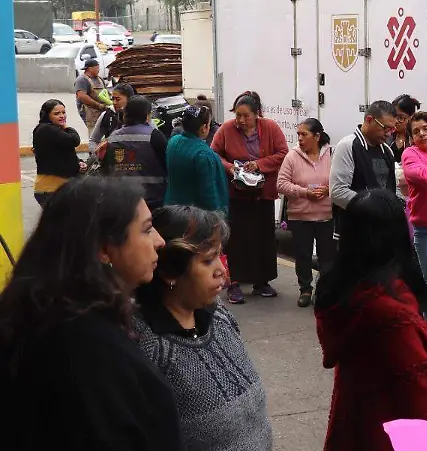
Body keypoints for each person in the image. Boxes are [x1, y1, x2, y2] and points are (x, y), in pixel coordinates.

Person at [0, 177, 181, 450]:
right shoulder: (87, 349)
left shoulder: (45, 314)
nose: (160, 241)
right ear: (104, 249)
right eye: (146, 230)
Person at [314, 190, 427, 451]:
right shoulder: (388, 312)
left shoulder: (345, 292)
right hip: (392, 434)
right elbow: (421, 395)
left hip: (354, 424)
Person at [133, 205, 272, 451]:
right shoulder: (148, 346)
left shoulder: (219, 316)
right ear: (170, 271)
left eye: (220, 256)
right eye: (207, 260)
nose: (222, 271)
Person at [211, 91, 288, 304]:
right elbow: (214, 153)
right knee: (236, 240)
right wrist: (230, 168)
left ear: (256, 115)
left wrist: (260, 164)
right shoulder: (226, 129)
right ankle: (233, 283)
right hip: (237, 194)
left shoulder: (270, 127)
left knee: (262, 238)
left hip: (262, 194)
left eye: (246, 116)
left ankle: (261, 281)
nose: (241, 120)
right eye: (238, 115)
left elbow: (283, 152)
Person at [277, 118, 335, 307]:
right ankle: (305, 289)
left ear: (317, 136)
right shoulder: (292, 156)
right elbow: (281, 184)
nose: (300, 138)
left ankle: (324, 290)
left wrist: (327, 190)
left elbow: (341, 179)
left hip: (326, 215)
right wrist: (304, 192)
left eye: (304, 134)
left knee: (327, 257)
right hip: (300, 215)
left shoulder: (331, 154)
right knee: (303, 255)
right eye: (298, 134)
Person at [402, 110, 427, 330]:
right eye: (416, 131)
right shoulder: (410, 154)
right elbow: (424, 177)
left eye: (426, 129)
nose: (422, 134)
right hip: (425, 228)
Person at [330, 100, 398, 229]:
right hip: (355, 229)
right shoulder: (348, 146)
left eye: (392, 129)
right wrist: (373, 206)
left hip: (382, 228)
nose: (389, 134)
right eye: (385, 128)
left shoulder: (387, 150)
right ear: (369, 120)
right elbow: (337, 192)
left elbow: (391, 186)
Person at [102, 95, 170, 209]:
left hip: (123, 199)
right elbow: (167, 164)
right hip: (152, 198)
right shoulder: (155, 136)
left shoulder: (113, 137)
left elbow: (108, 167)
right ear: (147, 115)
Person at [165, 104, 229, 215]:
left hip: (171, 209)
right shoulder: (203, 155)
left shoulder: (173, 141)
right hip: (194, 217)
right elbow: (209, 193)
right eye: (209, 124)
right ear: (203, 128)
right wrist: (217, 217)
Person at [31, 98, 85, 205]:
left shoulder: (54, 129)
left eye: (63, 112)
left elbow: (61, 153)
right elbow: (74, 140)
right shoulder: (46, 129)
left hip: (62, 187)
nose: (62, 116)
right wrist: (67, 126)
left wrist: (78, 162)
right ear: (47, 115)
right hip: (51, 189)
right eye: (56, 113)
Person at [90, 81, 137, 153]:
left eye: (118, 99)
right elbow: (93, 141)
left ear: (130, 99)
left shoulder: (141, 116)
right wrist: (101, 155)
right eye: (112, 99)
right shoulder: (107, 115)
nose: (114, 102)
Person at [392, 94, 421, 198]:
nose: (396, 121)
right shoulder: (388, 136)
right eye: (394, 117)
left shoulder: (418, 139)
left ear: (411, 117)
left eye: (400, 118)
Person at [75, 58, 108, 134]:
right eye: (97, 68)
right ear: (90, 69)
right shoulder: (82, 80)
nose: (99, 70)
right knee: (94, 133)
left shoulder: (100, 79)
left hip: (102, 111)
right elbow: (82, 96)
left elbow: (106, 93)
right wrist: (99, 105)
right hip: (90, 112)